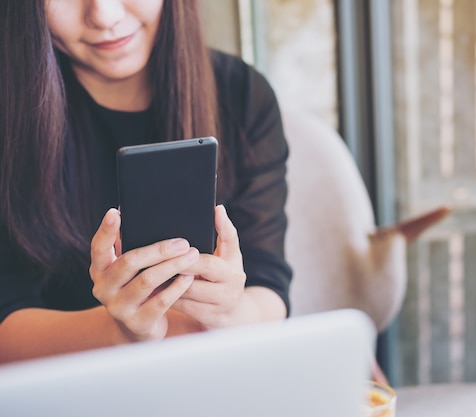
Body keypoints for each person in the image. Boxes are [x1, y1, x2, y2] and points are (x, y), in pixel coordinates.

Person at [0, 0, 291, 364]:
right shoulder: (10, 115)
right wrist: (120, 332)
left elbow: (269, 288)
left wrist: (232, 313)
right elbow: (6, 330)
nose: (105, 15)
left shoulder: (241, 94)